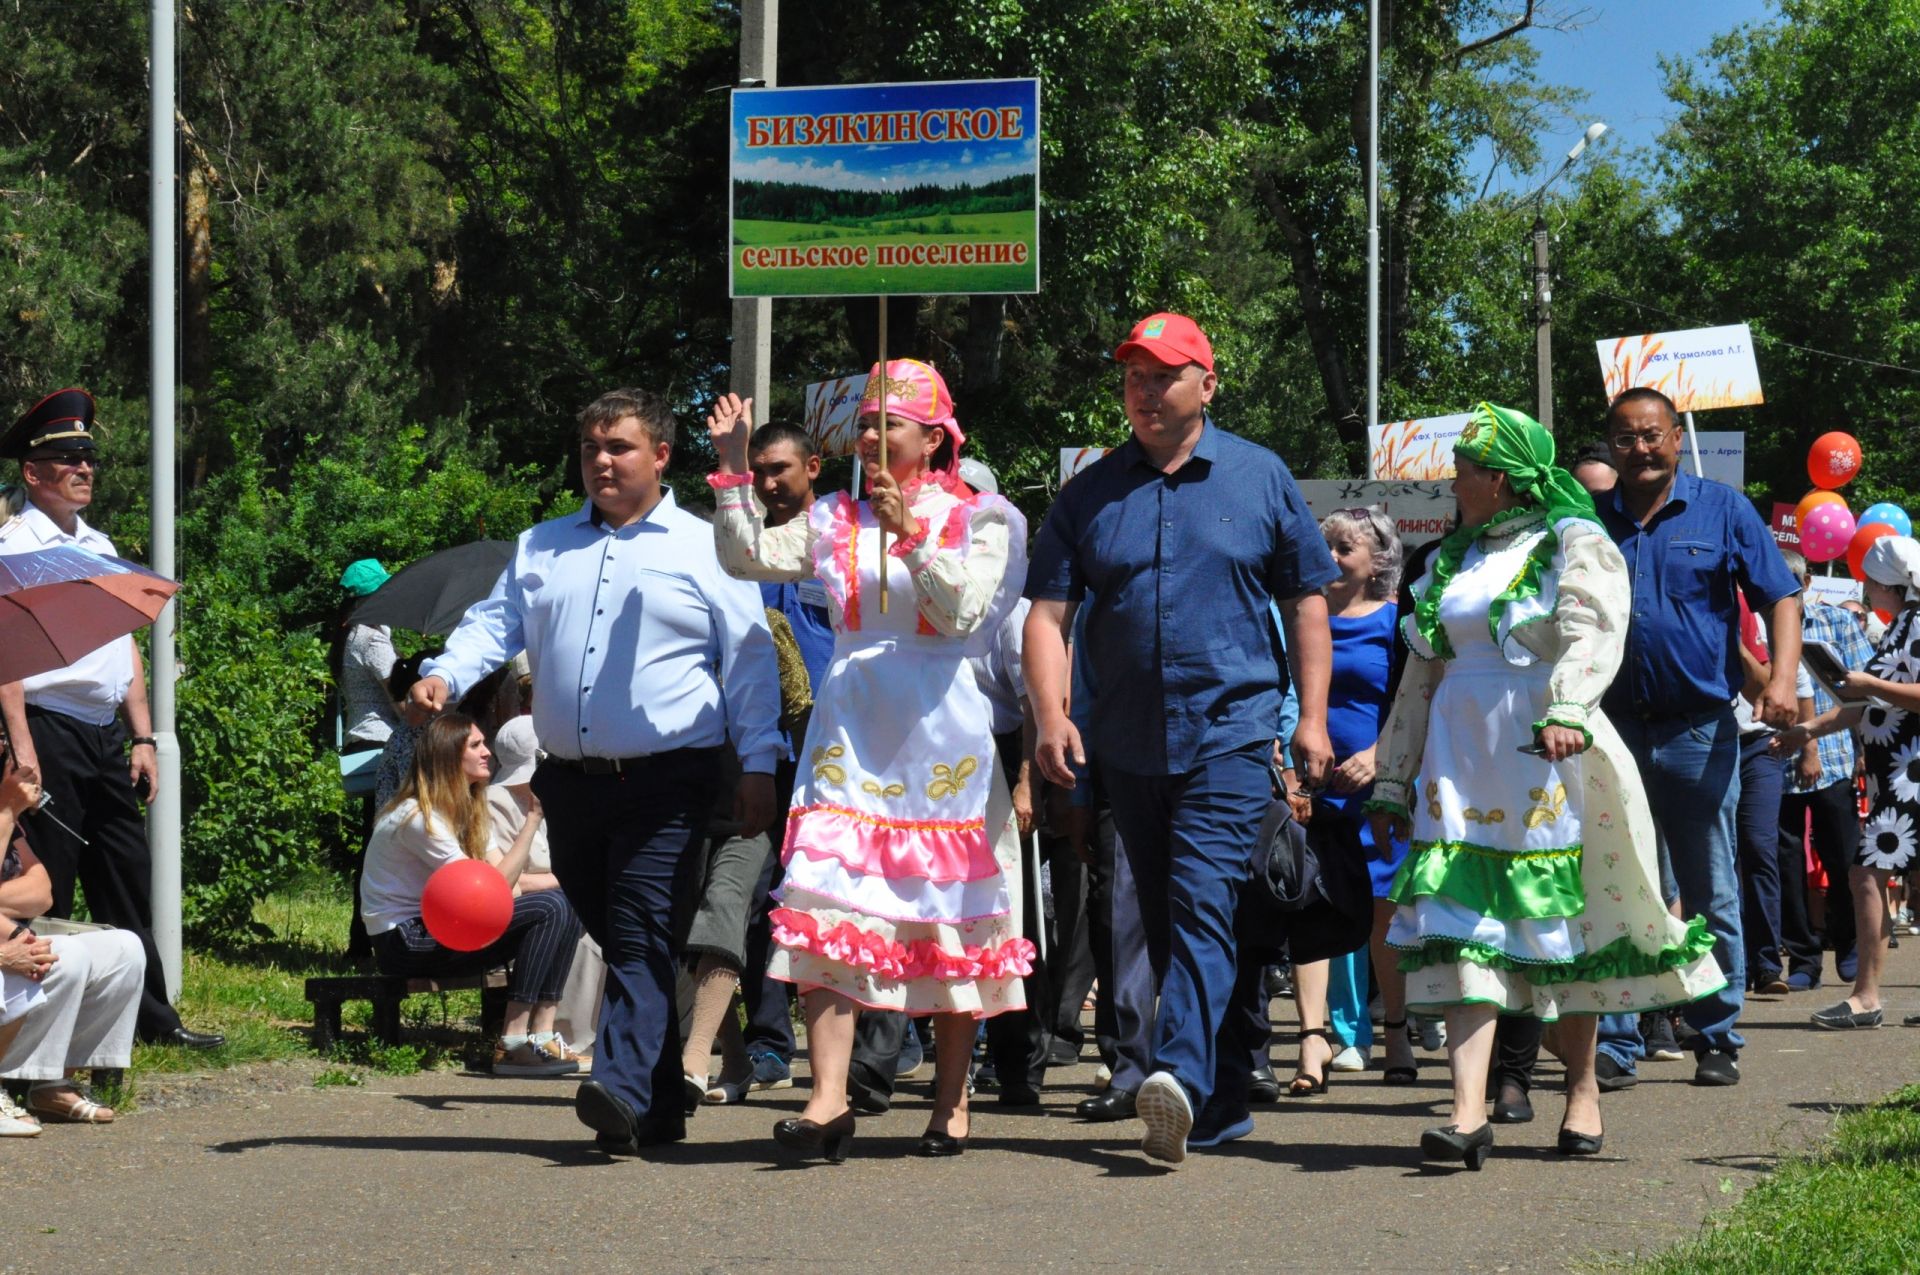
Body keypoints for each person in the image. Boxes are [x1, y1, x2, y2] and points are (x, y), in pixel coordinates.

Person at [410, 387, 780, 1154]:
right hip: (570, 782)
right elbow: (493, 622)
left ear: (663, 456)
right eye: (591, 449)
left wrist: (760, 762)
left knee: (643, 931)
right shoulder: (542, 544)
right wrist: (445, 674)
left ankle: (615, 1083)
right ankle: (664, 1102)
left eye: (620, 447)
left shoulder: (707, 546)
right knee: (624, 937)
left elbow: (749, 663)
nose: (602, 462)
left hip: (671, 776)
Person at [1365, 403, 1725, 1168]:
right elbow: (1420, 678)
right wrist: (1393, 778)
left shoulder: (1572, 540)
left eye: (1463, 467)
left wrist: (1568, 704)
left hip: (1542, 748)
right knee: (1465, 923)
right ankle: (1467, 1116)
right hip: (1460, 759)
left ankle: (1583, 1087)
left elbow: (1593, 624)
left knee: (1560, 930)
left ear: (1500, 478)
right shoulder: (1449, 561)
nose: (1451, 480)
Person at [1025, 312, 1337, 1165]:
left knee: (1201, 900)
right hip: (1125, 744)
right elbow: (1048, 615)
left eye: (1163, 374)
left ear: (1207, 382)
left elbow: (1308, 601)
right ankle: (1225, 1097)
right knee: (1169, 924)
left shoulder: (1258, 476)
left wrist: (1310, 717)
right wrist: (1052, 715)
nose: (1145, 389)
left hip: (1230, 734)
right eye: (1133, 374)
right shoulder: (1090, 491)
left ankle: (1177, 1077)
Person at [706, 359, 1032, 1163]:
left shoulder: (983, 516)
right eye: (864, 423)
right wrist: (733, 465)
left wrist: (914, 532)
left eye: (891, 422)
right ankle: (827, 1098)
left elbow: (962, 610)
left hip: (943, 727)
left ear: (935, 435)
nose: (873, 436)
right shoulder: (833, 518)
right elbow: (745, 554)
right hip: (851, 726)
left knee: (949, 914)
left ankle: (951, 1101)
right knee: (828, 902)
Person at [0, 388, 223, 1050]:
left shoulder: (97, 542)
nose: (84, 468)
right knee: (55, 881)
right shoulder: (13, 541)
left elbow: (125, 644)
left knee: (127, 873)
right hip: (46, 726)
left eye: (89, 457)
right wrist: (21, 746)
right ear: (34, 472)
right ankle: (43, 1026)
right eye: (69, 458)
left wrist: (144, 735)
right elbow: (5, 651)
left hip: (101, 732)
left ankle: (153, 1019)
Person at [1592, 386, 1801, 1090]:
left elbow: (1781, 594)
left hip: (1697, 730)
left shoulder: (1722, 510)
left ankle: (1716, 1032)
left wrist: (1780, 679)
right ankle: (1616, 1040)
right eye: (1626, 438)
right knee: (1622, 885)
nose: (1641, 449)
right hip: (1609, 732)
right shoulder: (1587, 521)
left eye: (1652, 435)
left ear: (1677, 438)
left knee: (1710, 884)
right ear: (1610, 445)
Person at [361, 713, 582, 1075]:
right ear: (449, 756)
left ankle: (541, 1036)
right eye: (476, 745)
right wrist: (533, 819)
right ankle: (512, 1041)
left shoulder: (467, 810)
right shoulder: (420, 817)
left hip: (443, 928)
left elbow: (506, 883)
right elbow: (493, 892)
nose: (487, 753)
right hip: (404, 940)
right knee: (550, 907)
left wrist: (571, 881)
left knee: (564, 905)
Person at [1773, 536, 1920, 1031]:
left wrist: (1870, 685)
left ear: (1884, 584)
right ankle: (1866, 996)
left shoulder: (1915, 622)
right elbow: (1864, 706)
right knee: (1868, 875)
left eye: (1869, 580)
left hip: (1910, 775)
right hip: (1893, 776)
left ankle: (1866, 998)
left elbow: (1881, 694)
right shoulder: (1901, 624)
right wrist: (1807, 730)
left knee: (1865, 874)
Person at [737, 420, 835, 1095]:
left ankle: (882, 1037)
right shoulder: (739, 549)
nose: (770, 482)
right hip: (758, 749)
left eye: (781, 468)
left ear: (814, 467)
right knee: (756, 896)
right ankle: (769, 1041)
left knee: (834, 899)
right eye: (759, 470)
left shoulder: (842, 542)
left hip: (833, 753)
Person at [0, 744, 141, 1128]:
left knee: (125, 948)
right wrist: (8, 811)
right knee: (66, 956)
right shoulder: (5, 810)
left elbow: (40, 892)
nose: (4, 749)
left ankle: (51, 1080)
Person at [1776, 553, 1876, 992]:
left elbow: (1867, 688)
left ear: (1808, 581)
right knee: (1786, 863)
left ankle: (1849, 945)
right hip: (1775, 764)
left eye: (1790, 583)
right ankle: (1803, 957)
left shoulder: (1837, 624)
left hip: (1834, 757)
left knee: (1842, 858)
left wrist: (1861, 750)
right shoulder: (1764, 627)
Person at [485, 715, 600, 1062]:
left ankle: (569, 1034)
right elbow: (505, 882)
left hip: (562, 896)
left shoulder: (560, 797)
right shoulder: (493, 803)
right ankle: (553, 1035)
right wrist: (569, 878)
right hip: (528, 906)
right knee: (569, 914)